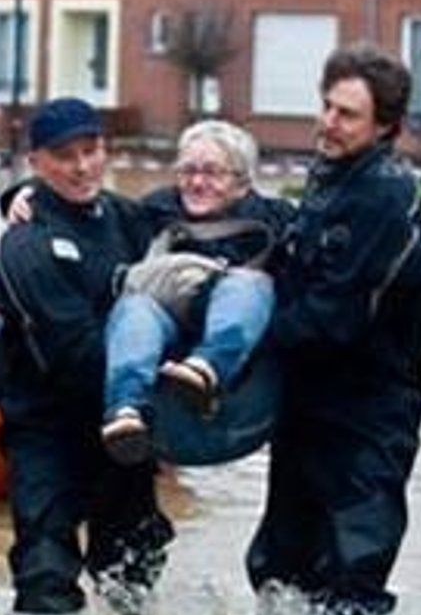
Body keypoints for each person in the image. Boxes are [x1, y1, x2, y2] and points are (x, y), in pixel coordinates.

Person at [246, 41, 421, 615]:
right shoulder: (330, 177)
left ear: (385, 126)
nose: (328, 123)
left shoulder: (386, 197)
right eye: (327, 107)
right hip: (307, 408)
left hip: (368, 418)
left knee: (352, 570)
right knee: (280, 565)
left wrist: (244, 346)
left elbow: (335, 316)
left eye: (347, 115)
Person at [0, 96, 172, 615]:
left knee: (133, 569)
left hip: (123, 433)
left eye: (91, 151)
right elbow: (72, 353)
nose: (82, 166)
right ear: (36, 162)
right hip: (48, 432)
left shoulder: (124, 218)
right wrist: (149, 390)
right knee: (45, 567)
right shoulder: (26, 245)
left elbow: (202, 211)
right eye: (65, 156)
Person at [98, 119, 294, 466]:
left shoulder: (276, 220)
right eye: (188, 171)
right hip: (169, 323)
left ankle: (208, 367)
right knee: (135, 309)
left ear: (243, 181)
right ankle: (126, 407)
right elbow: (87, 207)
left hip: (241, 346)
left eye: (213, 172)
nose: (198, 183)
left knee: (250, 284)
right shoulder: (154, 210)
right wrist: (24, 195)